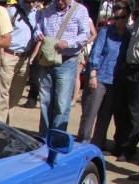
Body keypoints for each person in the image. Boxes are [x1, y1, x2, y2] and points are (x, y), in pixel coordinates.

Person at [109, 0, 139, 162]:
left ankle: (128, 148)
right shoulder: (138, 20)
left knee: (134, 113)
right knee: (120, 108)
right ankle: (119, 143)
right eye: (138, 3)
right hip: (128, 68)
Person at [76, 2, 130, 147]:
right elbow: (95, 54)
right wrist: (92, 75)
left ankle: (98, 145)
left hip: (115, 82)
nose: (119, 20)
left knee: (105, 117)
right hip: (99, 78)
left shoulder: (128, 36)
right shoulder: (105, 32)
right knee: (89, 114)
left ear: (128, 17)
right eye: (116, 17)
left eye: (123, 17)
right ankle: (83, 143)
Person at [33, 0, 90, 134]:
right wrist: (38, 34)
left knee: (62, 104)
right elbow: (38, 27)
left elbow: (85, 34)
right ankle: (44, 136)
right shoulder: (47, 10)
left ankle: (56, 138)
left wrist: (68, 43)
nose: (59, 2)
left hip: (67, 61)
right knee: (45, 101)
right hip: (47, 61)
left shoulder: (80, 10)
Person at [0, 0, 41, 124]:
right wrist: (2, 52)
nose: (31, 4)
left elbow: (37, 32)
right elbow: (0, 31)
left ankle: (8, 126)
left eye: (33, 1)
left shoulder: (37, 14)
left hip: (25, 58)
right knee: (3, 93)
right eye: (28, 1)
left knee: (16, 94)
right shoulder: (12, 11)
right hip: (9, 55)